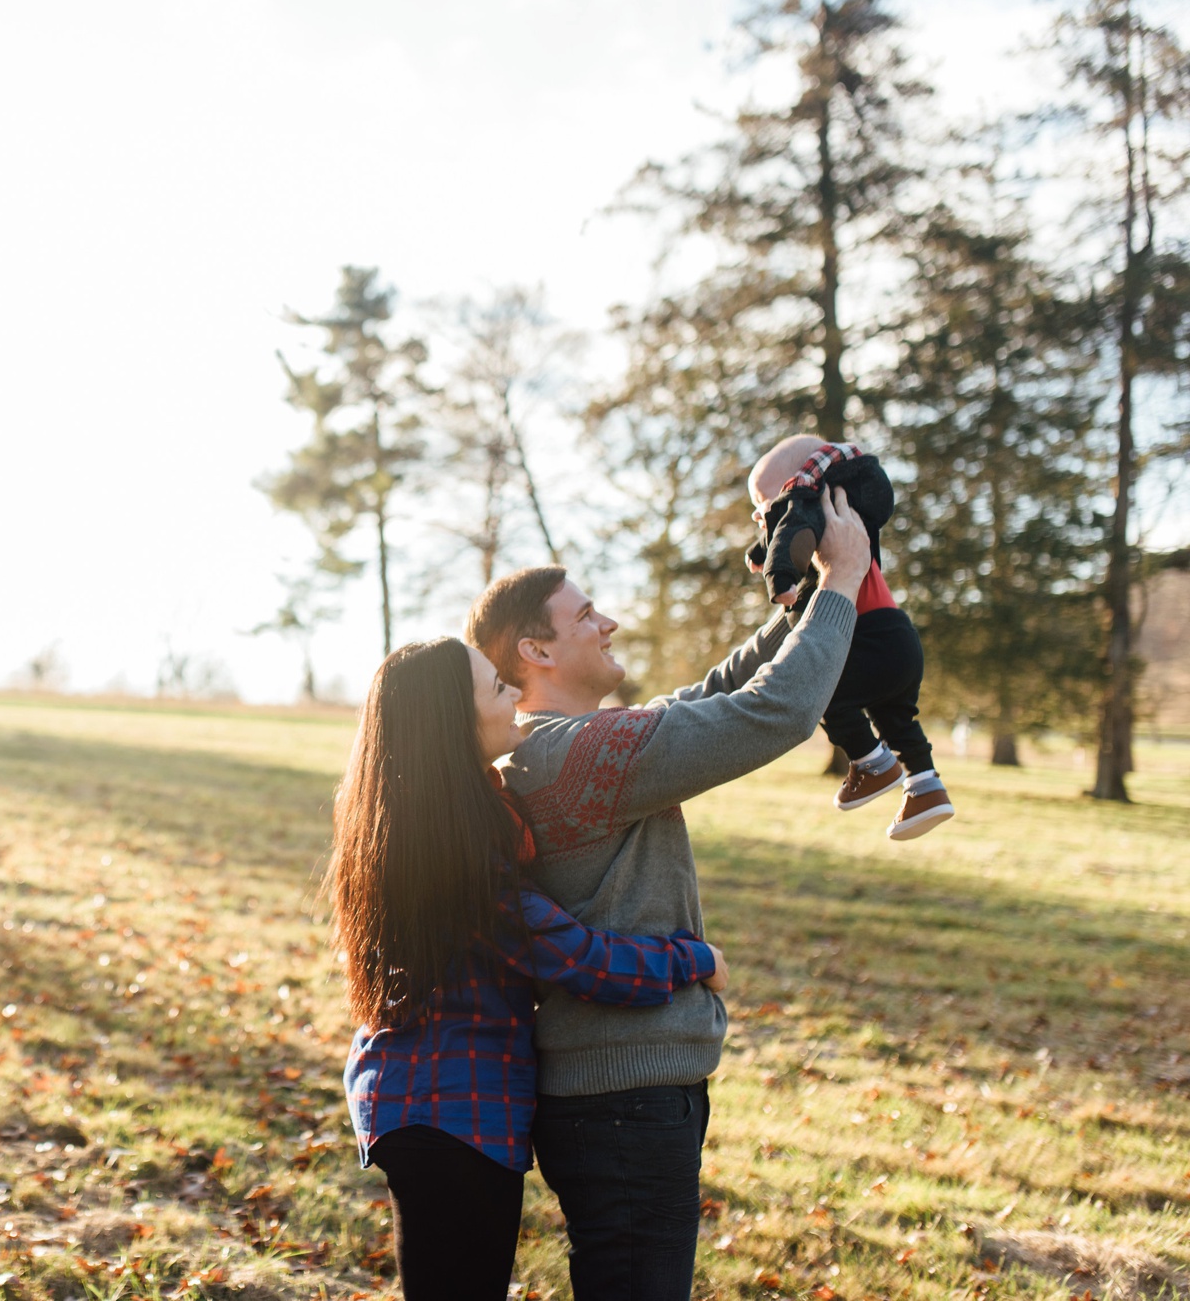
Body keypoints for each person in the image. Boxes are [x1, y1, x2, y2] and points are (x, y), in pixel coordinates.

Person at [461, 487, 870, 1301]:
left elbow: (707, 696)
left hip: (617, 1096)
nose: (607, 622)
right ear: (533, 652)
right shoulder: (575, 754)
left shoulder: (566, 748)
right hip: (625, 1099)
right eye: (585, 617)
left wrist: (796, 606)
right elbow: (776, 712)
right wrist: (844, 582)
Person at [329, 636, 725, 1301]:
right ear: (453, 722)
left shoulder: (417, 818)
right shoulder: (462, 853)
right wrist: (691, 956)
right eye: (496, 688)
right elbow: (575, 957)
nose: (515, 693)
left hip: (420, 1101)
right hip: (453, 1110)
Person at [746, 434, 953, 839]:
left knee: (818, 687)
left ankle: (871, 762)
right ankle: (926, 787)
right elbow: (783, 537)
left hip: (866, 638)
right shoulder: (846, 521)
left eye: (762, 502)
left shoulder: (805, 510)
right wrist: (761, 551)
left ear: (796, 485)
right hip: (897, 638)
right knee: (898, 719)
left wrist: (782, 577)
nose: (758, 514)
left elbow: (792, 537)